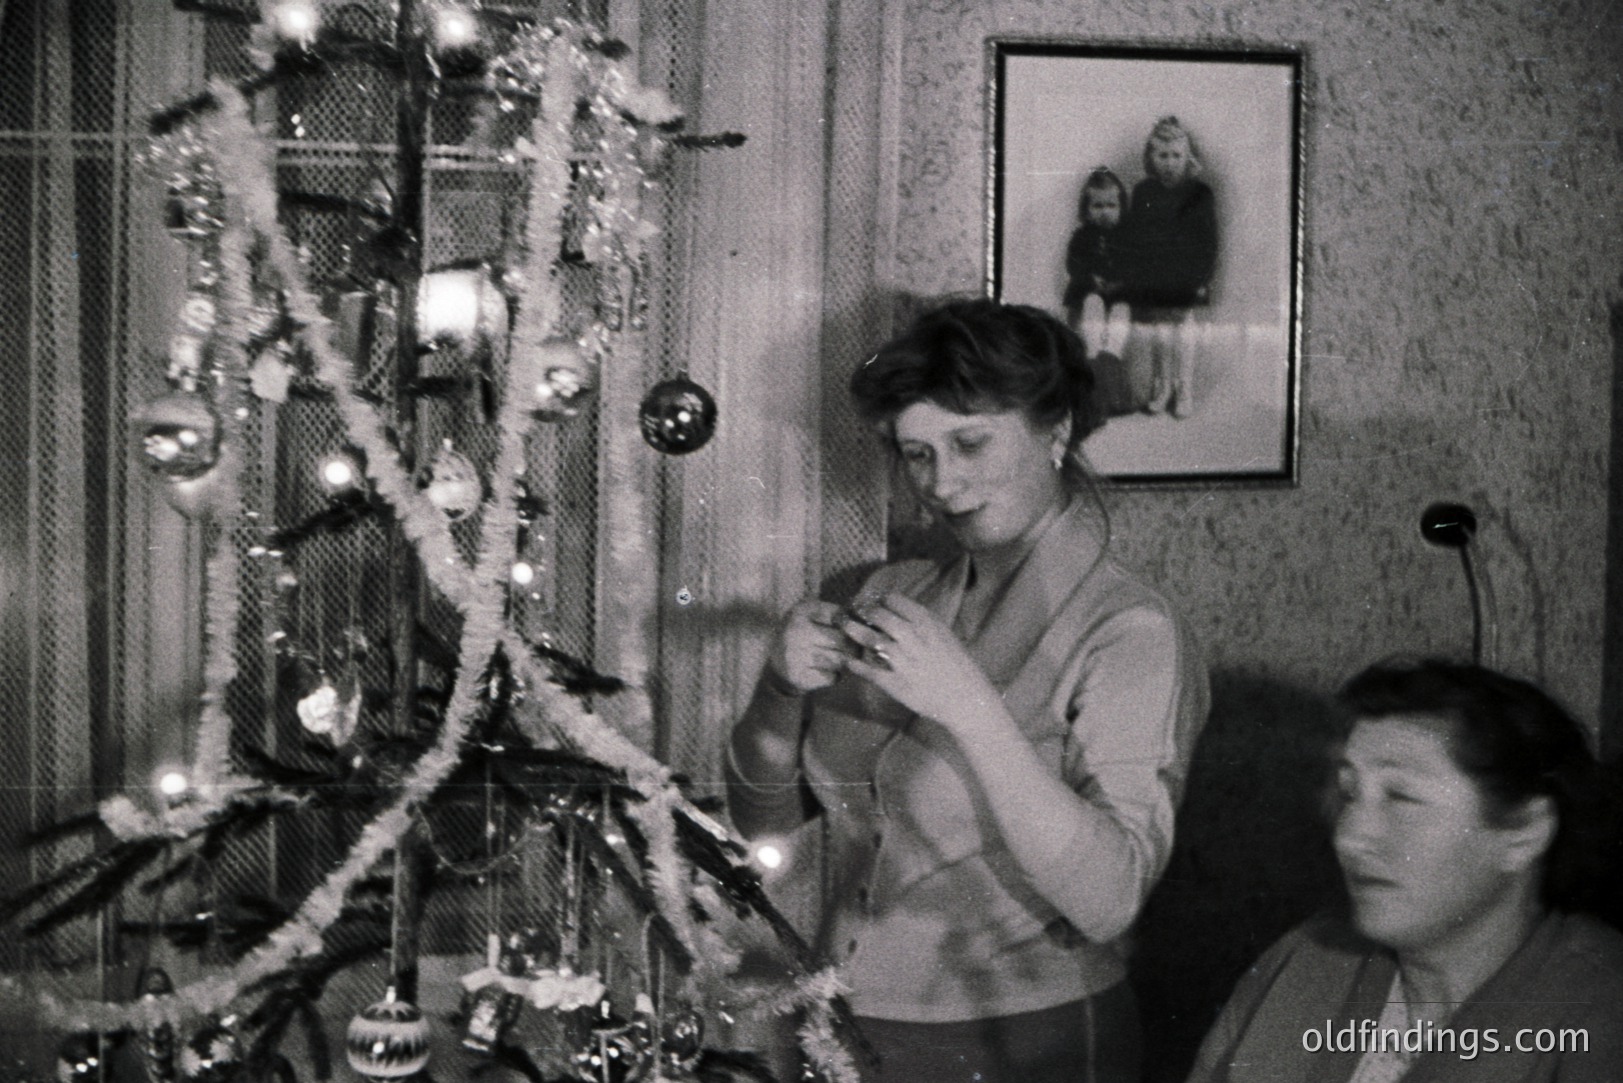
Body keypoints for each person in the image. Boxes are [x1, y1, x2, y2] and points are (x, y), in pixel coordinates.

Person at [724, 298, 1209, 1083]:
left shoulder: (1130, 632)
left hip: (1022, 1039)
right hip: (837, 1021)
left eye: (969, 442)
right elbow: (764, 830)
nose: (941, 484)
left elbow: (1112, 897)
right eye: (916, 454)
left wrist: (967, 705)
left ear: (1056, 432)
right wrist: (777, 691)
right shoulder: (892, 592)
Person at [1187, 658, 1623, 1083]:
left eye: (1402, 797)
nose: (1350, 837)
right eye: (1349, 793)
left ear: (1525, 831)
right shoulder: (1307, 962)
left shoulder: (1602, 1010)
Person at [1119, 116, 1217, 419]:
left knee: (1184, 330)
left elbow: (1208, 241)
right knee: (1160, 332)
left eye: (1176, 156)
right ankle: (1161, 386)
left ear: (1188, 157)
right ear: (1151, 157)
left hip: (1188, 273)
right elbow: (1134, 236)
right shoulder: (1144, 192)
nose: (1169, 163)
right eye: (1162, 155)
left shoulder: (1200, 194)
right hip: (1155, 273)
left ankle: (1183, 386)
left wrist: (1200, 277)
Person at [1060, 167, 1136, 418]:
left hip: (1119, 292)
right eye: (1098, 206)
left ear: (1121, 207)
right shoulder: (1081, 236)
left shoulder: (1126, 236)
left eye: (1111, 206)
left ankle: (1111, 364)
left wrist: (1120, 280)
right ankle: (1093, 369)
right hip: (1088, 292)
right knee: (1093, 305)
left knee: (1121, 312)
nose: (1105, 212)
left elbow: (1134, 263)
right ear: (1086, 209)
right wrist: (1091, 278)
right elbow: (1073, 264)